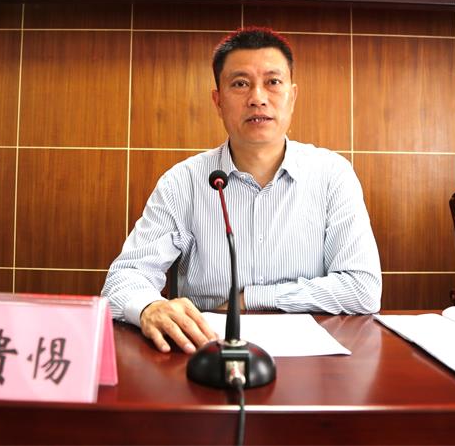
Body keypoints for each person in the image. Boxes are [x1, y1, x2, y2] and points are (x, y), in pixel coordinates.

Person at [102, 27, 381, 354]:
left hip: (314, 360)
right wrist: (150, 307)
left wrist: (251, 298)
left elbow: (362, 288)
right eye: (240, 84)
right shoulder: (184, 182)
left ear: (292, 96)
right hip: (209, 352)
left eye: (273, 82)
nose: (257, 98)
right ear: (218, 101)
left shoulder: (332, 175)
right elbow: (122, 280)